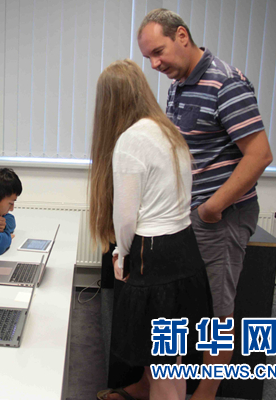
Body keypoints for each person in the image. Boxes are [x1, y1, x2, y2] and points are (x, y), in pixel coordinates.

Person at [137, 9, 273, 399]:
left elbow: (260, 155)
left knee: (217, 315)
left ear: (182, 36)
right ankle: (153, 384)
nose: (155, 64)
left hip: (220, 218)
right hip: (184, 216)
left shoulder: (226, 83)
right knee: (173, 306)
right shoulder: (179, 83)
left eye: (159, 52)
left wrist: (211, 209)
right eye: (148, 57)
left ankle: (204, 395)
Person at [89, 60, 213, 400]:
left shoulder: (130, 140)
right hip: (185, 249)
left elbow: (126, 218)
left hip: (153, 256)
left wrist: (121, 254)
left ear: (109, 102)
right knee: (172, 361)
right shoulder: (167, 130)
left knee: (162, 368)